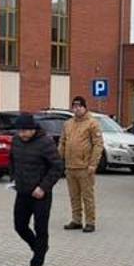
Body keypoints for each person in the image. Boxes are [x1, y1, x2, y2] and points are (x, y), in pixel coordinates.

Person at [9, 113, 64, 266]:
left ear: (33, 129)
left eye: (26, 130)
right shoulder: (16, 141)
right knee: (20, 226)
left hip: (41, 195)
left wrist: (43, 187)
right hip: (22, 192)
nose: (23, 134)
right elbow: (12, 160)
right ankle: (40, 248)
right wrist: (13, 178)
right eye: (20, 130)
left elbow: (57, 167)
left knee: (41, 229)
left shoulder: (45, 142)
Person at [59, 96, 104, 231]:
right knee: (74, 196)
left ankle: (90, 222)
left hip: (85, 167)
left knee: (87, 196)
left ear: (85, 107)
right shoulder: (68, 124)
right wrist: (57, 160)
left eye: (79, 106)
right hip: (70, 166)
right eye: (74, 107)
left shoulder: (92, 123)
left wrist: (93, 164)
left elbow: (98, 145)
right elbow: (63, 142)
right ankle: (76, 220)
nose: (77, 109)